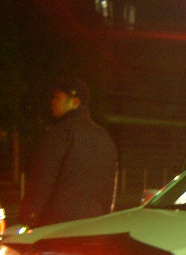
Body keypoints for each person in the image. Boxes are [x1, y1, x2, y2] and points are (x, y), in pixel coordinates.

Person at [20, 77, 117, 227]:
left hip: (57, 225)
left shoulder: (59, 133)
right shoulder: (104, 137)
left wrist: (28, 218)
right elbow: (109, 189)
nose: (53, 102)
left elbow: (42, 180)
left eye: (58, 97)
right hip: (93, 224)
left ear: (75, 102)